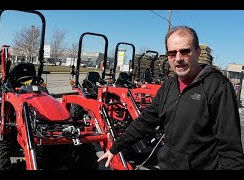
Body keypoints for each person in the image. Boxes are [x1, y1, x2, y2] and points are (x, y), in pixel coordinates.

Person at [97, 26, 244, 170]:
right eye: (172, 53)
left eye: (185, 51)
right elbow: (145, 120)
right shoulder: (169, 86)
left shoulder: (217, 87)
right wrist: (116, 147)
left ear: (198, 52)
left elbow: (230, 149)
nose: (178, 58)